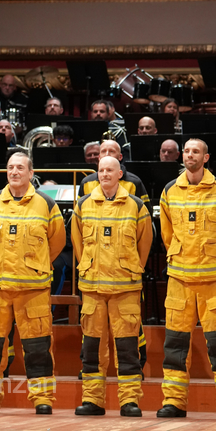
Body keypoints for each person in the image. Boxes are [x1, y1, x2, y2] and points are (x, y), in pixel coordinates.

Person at [0, 150, 65, 415]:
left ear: (31, 173)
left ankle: (42, 398)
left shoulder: (46, 204)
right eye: (10, 167)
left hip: (33, 289)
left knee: (38, 348)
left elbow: (56, 243)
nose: (14, 172)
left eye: (20, 168)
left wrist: (35, 266)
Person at [157, 138, 216, 420]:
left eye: (196, 151)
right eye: (186, 150)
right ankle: (174, 402)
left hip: (214, 280)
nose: (189, 154)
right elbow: (167, 235)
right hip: (180, 279)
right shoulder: (170, 190)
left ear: (206, 158)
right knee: (175, 345)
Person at [72, 154, 153, 417]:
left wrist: (132, 268)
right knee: (92, 349)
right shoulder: (82, 204)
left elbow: (145, 244)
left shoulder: (137, 206)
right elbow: (77, 245)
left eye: (110, 170)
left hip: (125, 287)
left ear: (120, 174)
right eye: (101, 170)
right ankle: (93, 400)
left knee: (128, 348)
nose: (104, 174)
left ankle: (129, 400)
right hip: (92, 288)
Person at [80, 139, 150, 206]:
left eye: (112, 151)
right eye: (103, 151)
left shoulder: (134, 182)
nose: (107, 154)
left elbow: (145, 213)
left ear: (120, 157)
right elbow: (79, 212)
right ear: (99, 157)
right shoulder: (86, 182)